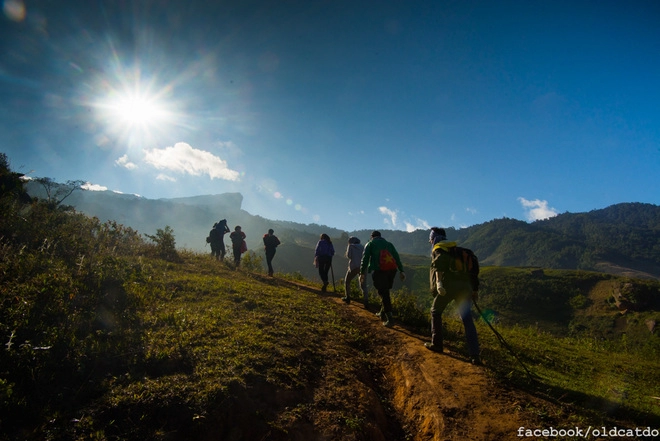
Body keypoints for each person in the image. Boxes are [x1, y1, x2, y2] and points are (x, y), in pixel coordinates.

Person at [425, 227, 481, 365]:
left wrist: (439, 284)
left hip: (450, 286)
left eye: (430, 238)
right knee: (467, 319)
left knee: (435, 311)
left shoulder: (439, 248)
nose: (430, 241)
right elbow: (473, 271)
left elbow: (438, 265)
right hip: (466, 287)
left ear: (434, 238)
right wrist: (474, 290)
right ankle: (475, 355)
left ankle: (437, 344)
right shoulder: (458, 250)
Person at [359, 231, 405, 327]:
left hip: (379, 271)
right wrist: (401, 270)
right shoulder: (389, 244)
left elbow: (365, 258)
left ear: (372, 237)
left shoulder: (370, 244)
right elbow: (396, 257)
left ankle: (390, 319)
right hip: (392, 270)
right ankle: (382, 312)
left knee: (383, 293)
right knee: (385, 291)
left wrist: (362, 272)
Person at [343, 236, 367, 306]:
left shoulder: (351, 246)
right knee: (363, 285)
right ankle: (366, 301)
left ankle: (348, 297)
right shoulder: (363, 247)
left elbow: (349, 256)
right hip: (363, 267)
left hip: (354, 266)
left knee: (347, 281)